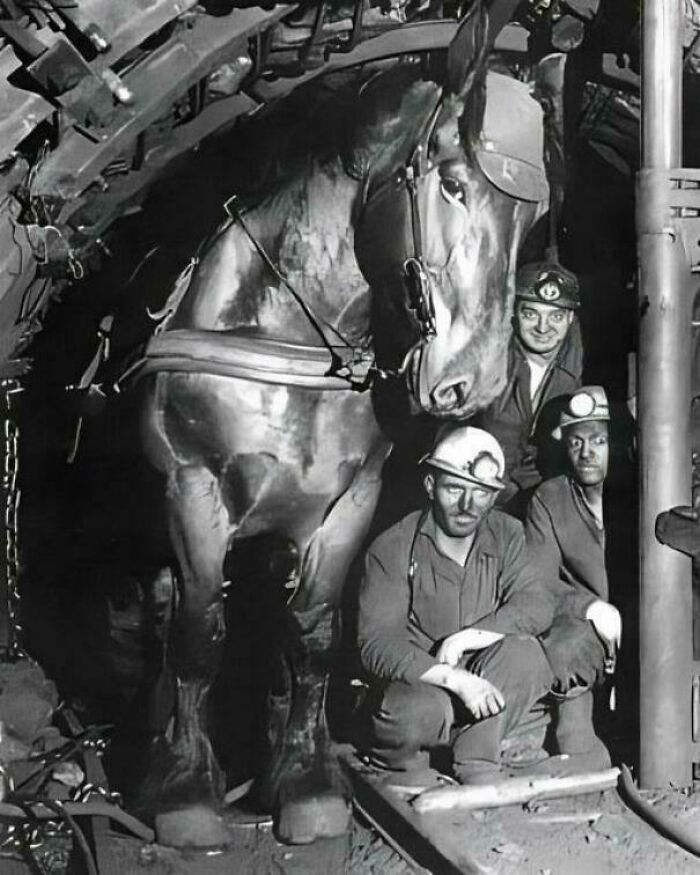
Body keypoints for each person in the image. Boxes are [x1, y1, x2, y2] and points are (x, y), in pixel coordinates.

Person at [356, 425, 558, 786]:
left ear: (494, 496)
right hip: (425, 683)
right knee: (413, 714)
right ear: (431, 486)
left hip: (486, 676)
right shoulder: (393, 546)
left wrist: (469, 638)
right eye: (454, 489)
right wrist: (454, 678)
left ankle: (476, 758)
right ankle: (405, 760)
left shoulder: (507, 533)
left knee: (527, 655)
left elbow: (536, 602)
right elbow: (377, 643)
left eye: (481, 493)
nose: (468, 506)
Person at [525, 385, 621, 770]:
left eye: (599, 440)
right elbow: (537, 581)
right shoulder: (549, 498)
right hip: (590, 628)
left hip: (652, 623)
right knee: (562, 644)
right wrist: (589, 607)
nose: (587, 453)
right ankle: (576, 735)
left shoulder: (648, 489)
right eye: (576, 441)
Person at [472, 260, 583, 516]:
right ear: (514, 313)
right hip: (479, 497)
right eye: (531, 314)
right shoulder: (487, 361)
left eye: (555, 316)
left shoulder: (580, 369)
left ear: (570, 319)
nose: (543, 328)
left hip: (543, 506)